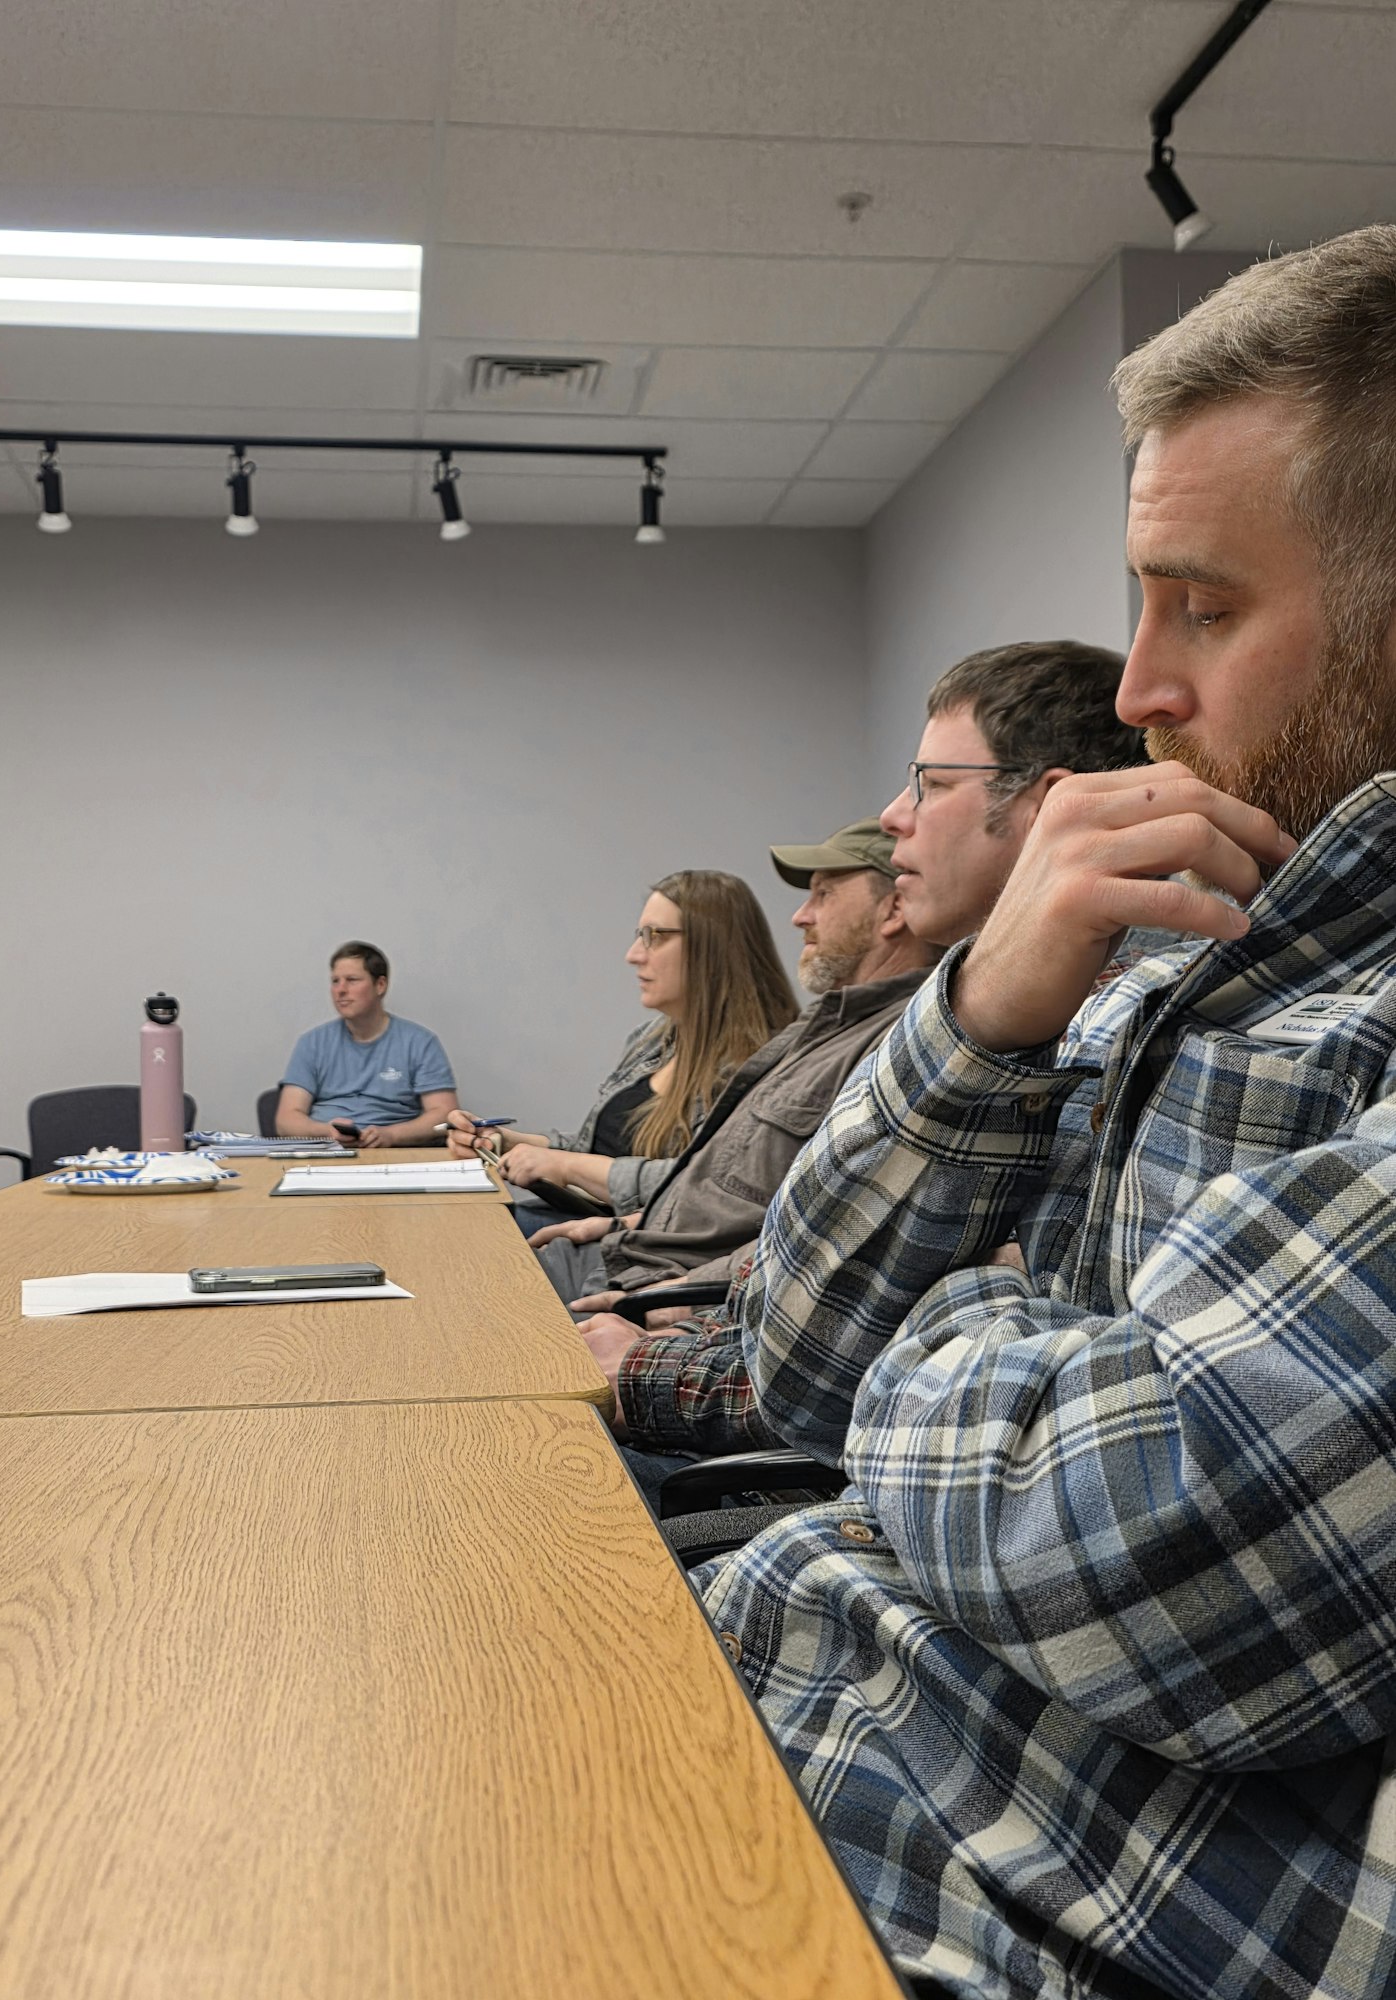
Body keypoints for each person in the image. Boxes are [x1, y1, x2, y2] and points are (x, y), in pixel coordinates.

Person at [695, 226, 1396, 2000]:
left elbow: (1167, 1559)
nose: (1141, 689)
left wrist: (958, 1315)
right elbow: (792, 1347)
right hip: (808, 1763)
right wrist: (991, 1016)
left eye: (1207, 609)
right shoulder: (1184, 946)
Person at [578, 640, 1147, 1476]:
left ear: (1046, 807)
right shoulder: (943, 1019)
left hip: (759, 1438)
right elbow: (799, 1277)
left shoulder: (1084, 1035)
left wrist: (648, 1353)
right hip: (690, 1344)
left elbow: (832, 1360)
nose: (895, 816)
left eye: (933, 784)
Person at [534, 820, 947, 1320]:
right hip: (626, 1251)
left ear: (894, 909)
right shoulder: (822, 1027)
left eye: (824, 894)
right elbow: (740, 1192)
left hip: (655, 1290)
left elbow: (834, 1231)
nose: (799, 916)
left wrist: (679, 1296)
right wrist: (631, 1222)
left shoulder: (896, 1045)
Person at [446, 871, 797, 1230]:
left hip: (637, 1249)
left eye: (654, 937)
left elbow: (706, 1188)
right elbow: (596, 1149)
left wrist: (566, 1166)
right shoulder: (650, 1040)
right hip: (578, 1221)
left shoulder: (762, 1066)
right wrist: (505, 1142)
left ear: (713, 948)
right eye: (638, 937)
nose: (633, 955)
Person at [276, 940, 458, 1146]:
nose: (340, 990)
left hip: (397, 1154)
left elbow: (444, 1112)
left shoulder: (420, 1042)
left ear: (380, 985)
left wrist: (391, 1135)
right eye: (335, 981)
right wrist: (326, 1132)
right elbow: (286, 1119)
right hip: (327, 1152)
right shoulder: (312, 1043)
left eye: (352, 980)